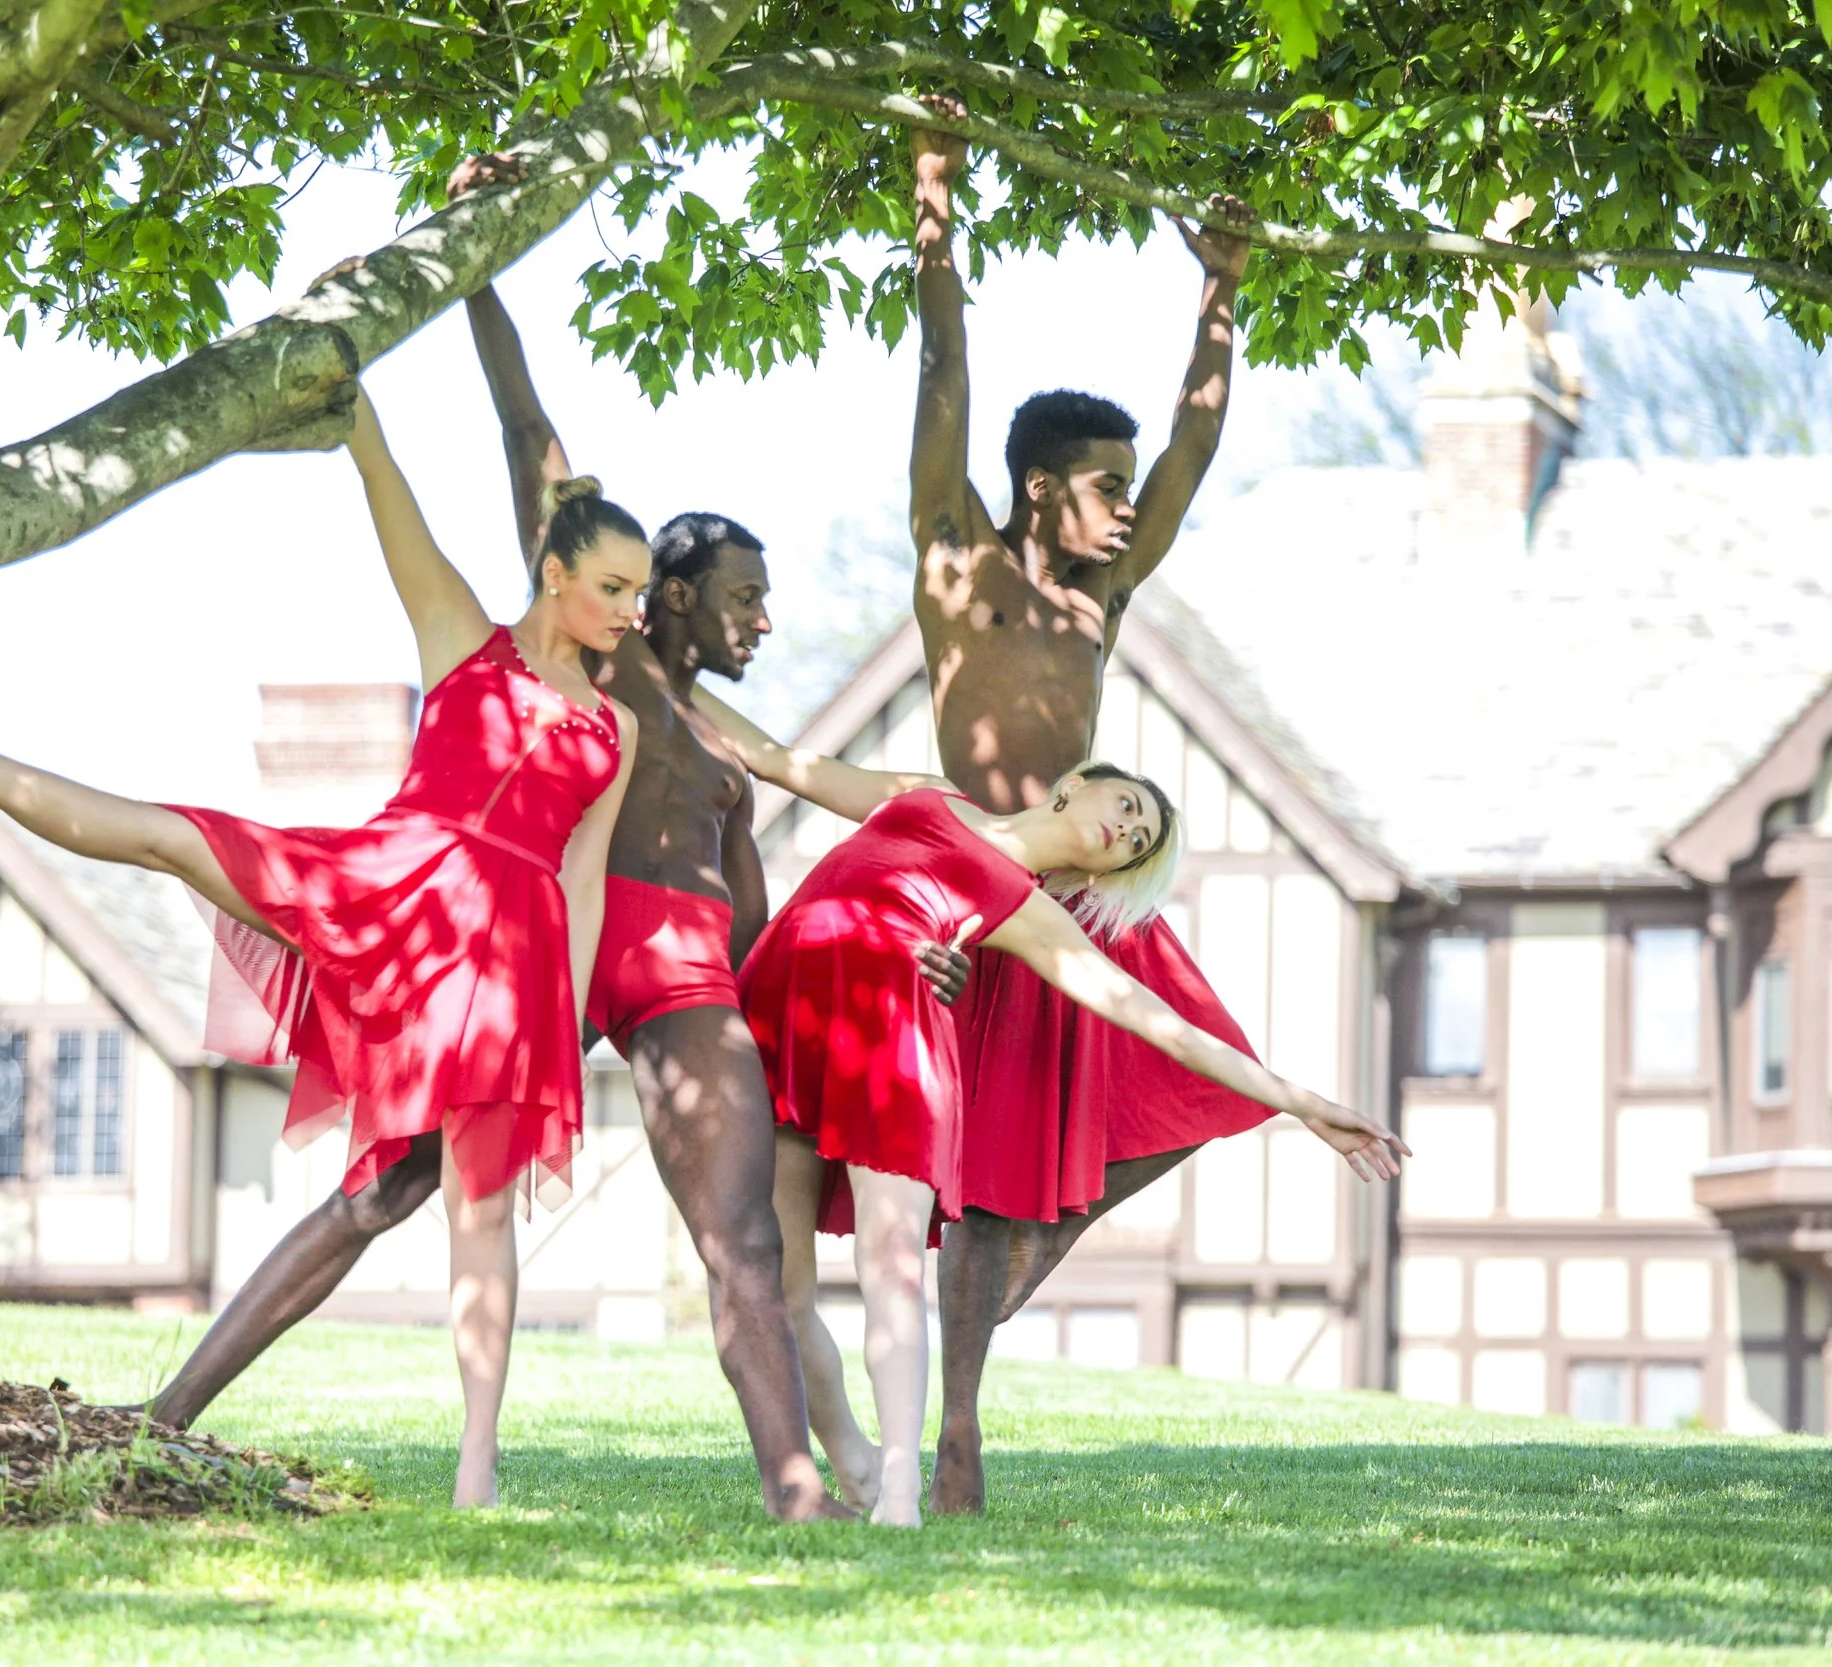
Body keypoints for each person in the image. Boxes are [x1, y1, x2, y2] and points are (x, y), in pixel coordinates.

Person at [121, 154, 968, 1522]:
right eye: (740, 598)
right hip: (542, 956)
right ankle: (164, 1410)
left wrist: (899, 964)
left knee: (738, 1233)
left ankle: (798, 1484)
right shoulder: (606, 668)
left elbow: (768, 929)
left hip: (682, 982)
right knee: (374, 1191)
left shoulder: (728, 759)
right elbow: (532, 434)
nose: (761, 622)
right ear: (667, 592)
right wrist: (486, 268)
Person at [0, 385, 641, 1510]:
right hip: (387, 892)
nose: (633, 611)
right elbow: (392, 502)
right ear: (556, 574)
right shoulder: (462, 641)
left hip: (508, 978)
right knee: (173, 838)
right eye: (615, 588)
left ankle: (476, 1468)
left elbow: (582, 881)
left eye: (637, 593)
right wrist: (362, 414)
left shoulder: (614, 728)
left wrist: (560, 1029)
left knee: (477, 1216)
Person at [712, 715, 1407, 1529]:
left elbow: (1164, 1025)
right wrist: (655, 674)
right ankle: (859, 1468)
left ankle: (897, 1498)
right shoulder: (925, 800)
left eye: (1136, 842)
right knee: (783, 1286)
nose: (1127, 830)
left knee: (890, 1265)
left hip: (895, 1051)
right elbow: (786, 763)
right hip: (782, 1024)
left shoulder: (1030, 912)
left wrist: (1305, 1104)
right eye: (1129, 806)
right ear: (1077, 783)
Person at [902, 101, 1295, 1514]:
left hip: (1085, 893)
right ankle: (953, 1429)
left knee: (1203, 1082)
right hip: (973, 875)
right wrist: (937, 185)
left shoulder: (1098, 598)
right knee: (967, 1180)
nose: (1129, 507)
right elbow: (944, 363)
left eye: (1127, 490)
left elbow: (1189, 456)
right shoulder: (954, 549)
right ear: (1035, 487)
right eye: (1104, 487)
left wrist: (1221, 290)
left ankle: (990, 1293)